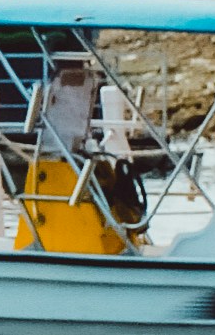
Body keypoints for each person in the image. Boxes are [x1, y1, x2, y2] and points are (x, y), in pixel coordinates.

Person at [29, 53, 149, 231]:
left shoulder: (64, 87)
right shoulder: (84, 83)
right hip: (69, 152)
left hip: (62, 154)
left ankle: (116, 219)